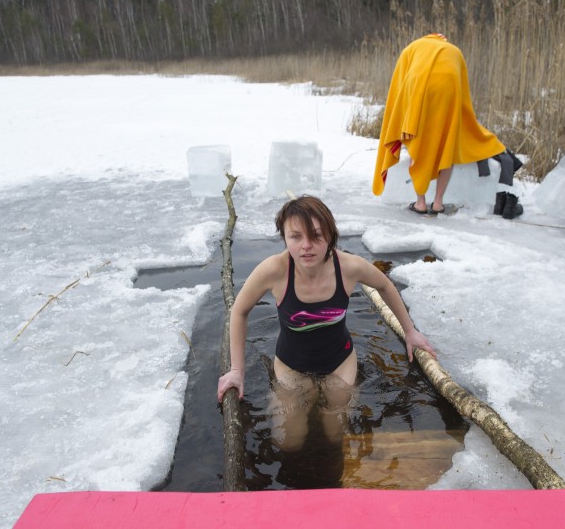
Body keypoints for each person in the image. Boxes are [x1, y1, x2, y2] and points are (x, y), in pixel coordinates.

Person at [217, 195, 436, 452]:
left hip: (340, 362)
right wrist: (237, 371)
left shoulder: (349, 267)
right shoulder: (273, 270)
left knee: (335, 437)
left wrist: (410, 331)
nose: (306, 246)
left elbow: (385, 285)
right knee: (288, 443)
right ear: (284, 237)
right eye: (296, 237)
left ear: (331, 235)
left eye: (317, 236)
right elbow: (239, 311)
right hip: (291, 365)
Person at [373, 33, 507, 215]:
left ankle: (420, 203)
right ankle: (438, 203)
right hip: (449, 87)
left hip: (419, 87)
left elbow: (399, 84)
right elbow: (464, 93)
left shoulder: (413, 47)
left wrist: (405, 119)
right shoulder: (454, 51)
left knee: (417, 140)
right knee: (447, 145)